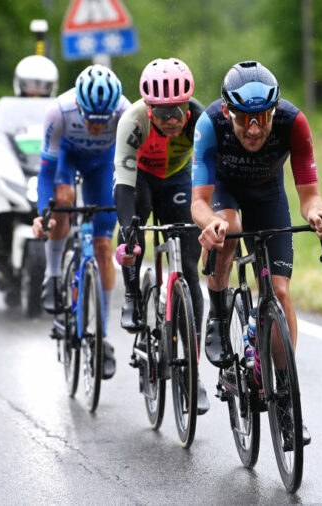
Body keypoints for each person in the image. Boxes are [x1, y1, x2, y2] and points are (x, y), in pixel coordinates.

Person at [190, 61, 322, 444]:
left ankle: (287, 400)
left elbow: (309, 194)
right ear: (228, 112)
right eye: (244, 120)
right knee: (231, 230)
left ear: (273, 111)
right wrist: (211, 224)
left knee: (281, 292)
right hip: (224, 193)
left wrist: (318, 215)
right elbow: (199, 202)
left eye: (262, 119)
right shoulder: (210, 124)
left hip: (268, 196)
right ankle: (219, 315)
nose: (254, 129)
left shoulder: (294, 122)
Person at [112, 57, 209, 414]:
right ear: (149, 108)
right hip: (140, 180)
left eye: (177, 111)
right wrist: (128, 230)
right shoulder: (132, 121)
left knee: (188, 267)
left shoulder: (201, 121)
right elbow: (122, 186)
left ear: (188, 105)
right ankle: (134, 295)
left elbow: (214, 173)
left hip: (179, 179)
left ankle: (193, 373)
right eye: (162, 112)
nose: (170, 120)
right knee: (133, 239)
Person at [32, 64, 130, 380]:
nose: (98, 127)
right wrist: (42, 214)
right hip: (66, 161)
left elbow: (130, 166)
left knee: (103, 246)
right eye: (91, 120)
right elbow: (46, 172)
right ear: (79, 107)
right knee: (62, 201)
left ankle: (101, 336)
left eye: (104, 121)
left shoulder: (125, 112)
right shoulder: (59, 112)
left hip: (104, 166)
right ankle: (53, 272)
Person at [0, 54, 60, 288]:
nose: (36, 90)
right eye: (31, 85)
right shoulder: (3, 108)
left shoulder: (60, 109)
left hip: (45, 170)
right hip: (15, 172)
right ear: (20, 83)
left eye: (42, 86)